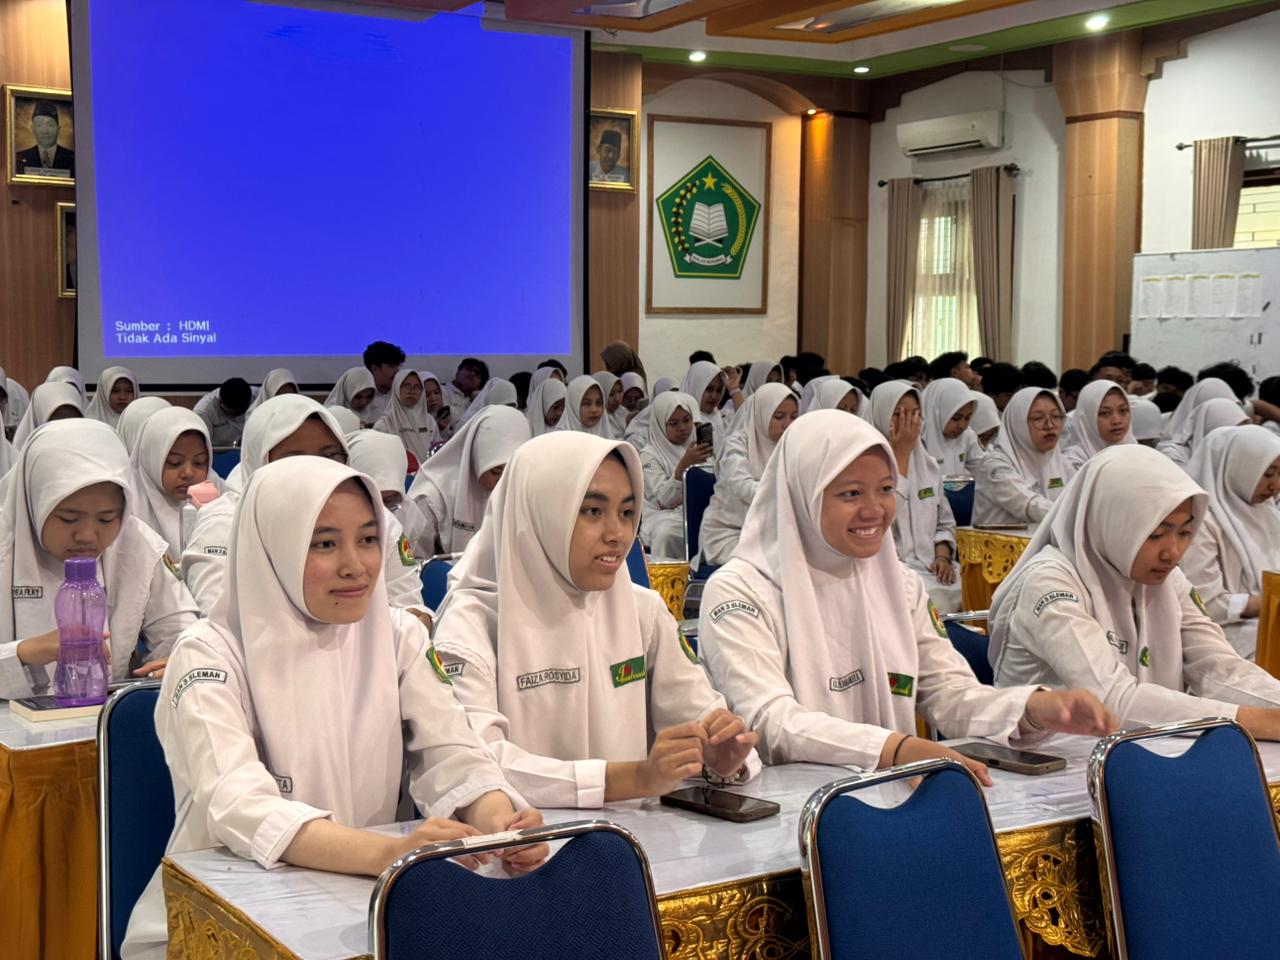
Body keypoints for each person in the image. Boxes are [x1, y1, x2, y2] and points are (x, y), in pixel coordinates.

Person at [120, 458, 546, 959]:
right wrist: (389, 852)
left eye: (368, 539)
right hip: (223, 919)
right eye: (324, 544)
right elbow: (239, 804)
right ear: (274, 546)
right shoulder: (209, 653)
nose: (355, 565)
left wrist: (499, 825)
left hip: (368, 901)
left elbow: (452, 752)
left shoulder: (397, 635)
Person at [697, 412, 1113, 780]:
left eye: (884, 489)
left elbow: (948, 693)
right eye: (851, 493)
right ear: (803, 495)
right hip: (792, 814)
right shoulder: (741, 591)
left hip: (896, 795)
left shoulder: (899, 583)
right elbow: (770, 720)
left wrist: (1030, 709)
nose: (874, 510)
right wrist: (894, 749)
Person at [431, 432, 758, 808]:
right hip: (525, 839)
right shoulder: (472, 625)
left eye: (626, 513)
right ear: (540, 513)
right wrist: (631, 779)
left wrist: (722, 757)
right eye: (592, 511)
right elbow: (474, 765)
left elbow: (703, 716)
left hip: (637, 836)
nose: (618, 534)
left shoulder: (642, 610)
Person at [988, 445, 1280, 735]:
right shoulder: (1048, 583)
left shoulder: (1168, 579)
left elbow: (1217, 667)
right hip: (1051, 753)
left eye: (1184, 533)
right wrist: (1258, 721)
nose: (1173, 552)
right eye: (1155, 534)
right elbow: (1109, 700)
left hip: (1143, 742)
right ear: (1109, 521)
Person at [0, 420, 199, 698]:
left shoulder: (136, 546)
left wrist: (179, 658)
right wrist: (21, 653)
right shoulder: (5, 547)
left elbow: (178, 627)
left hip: (101, 716)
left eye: (106, 519)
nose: (87, 536)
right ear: (33, 503)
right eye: (68, 518)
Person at [183, 395, 426, 615]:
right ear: (259, 462)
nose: (315, 468)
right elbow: (218, 617)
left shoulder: (374, 520)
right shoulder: (225, 524)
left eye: (328, 456)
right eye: (295, 459)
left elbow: (412, 610)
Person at [1181, 426, 1280, 658]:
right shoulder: (1199, 522)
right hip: (1227, 636)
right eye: (1268, 474)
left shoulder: (1266, 511)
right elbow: (1205, 604)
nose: (1275, 485)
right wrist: (1269, 603)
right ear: (1238, 469)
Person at [869, 381, 960, 612]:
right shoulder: (866, 464)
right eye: (899, 415)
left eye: (915, 414)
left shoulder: (927, 466)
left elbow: (944, 523)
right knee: (927, 599)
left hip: (930, 568)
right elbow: (881, 517)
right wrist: (901, 454)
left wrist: (942, 557)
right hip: (888, 570)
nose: (909, 423)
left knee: (974, 588)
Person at [407, 407, 530, 556]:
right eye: (496, 471)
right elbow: (407, 559)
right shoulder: (430, 497)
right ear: (477, 458)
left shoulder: (522, 488)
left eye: (513, 472)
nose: (504, 482)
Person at [698, 384, 796, 568]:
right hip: (729, 533)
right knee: (774, 565)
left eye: (793, 417)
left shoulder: (792, 446)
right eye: (779, 417)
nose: (787, 424)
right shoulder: (736, 444)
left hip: (772, 533)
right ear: (761, 414)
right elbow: (742, 487)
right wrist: (787, 493)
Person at [973, 387, 1072, 525]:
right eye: (1038, 418)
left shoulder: (1061, 462)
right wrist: (1075, 518)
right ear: (1018, 423)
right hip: (1001, 539)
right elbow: (1029, 506)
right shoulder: (995, 465)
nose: (1050, 425)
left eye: (1056, 417)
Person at [130, 408, 212, 558]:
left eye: (199, 462)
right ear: (151, 460)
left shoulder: (220, 500)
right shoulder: (129, 508)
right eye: (175, 463)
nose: (188, 473)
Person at [639, 391, 711, 559]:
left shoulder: (697, 447)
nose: (683, 428)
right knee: (665, 534)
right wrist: (683, 467)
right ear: (660, 425)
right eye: (673, 423)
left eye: (687, 420)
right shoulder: (649, 456)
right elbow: (665, 500)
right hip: (662, 518)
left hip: (697, 513)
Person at [346, 430, 434, 562]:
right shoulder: (332, 516)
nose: (383, 512)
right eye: (371, 500)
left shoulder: (409, 515)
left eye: (388, 501)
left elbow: (409, 562)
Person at [1061, 379, 1132, 470]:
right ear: (1087, 418)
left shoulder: (1138, 451)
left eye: (1123, 410)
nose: (1117, 421)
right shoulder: (1071, 462)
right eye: (1105, 413)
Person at [374, 370, 439, 465]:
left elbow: (438, 450)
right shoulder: (386, 422)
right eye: (407, 386)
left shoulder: (429, 421)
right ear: (397, 388)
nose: (412, 391)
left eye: (417, 387)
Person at [921, 377, 980, 474]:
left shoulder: (967, 435)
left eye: (967, 418)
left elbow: (981, 467)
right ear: (937, 413)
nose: (962, 426)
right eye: (956, 418)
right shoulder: (918, 440)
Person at [11, 381, 83, 448]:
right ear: (37, 419)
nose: (65, 429)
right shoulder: (18, 456)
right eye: (56, 423)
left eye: (73, 422)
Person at [16, 100, 73, 177]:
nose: (45, 131)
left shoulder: (72, 158)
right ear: (33, 129)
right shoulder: (19, 158)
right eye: (39, 125)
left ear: (58, 129)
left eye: (50, 125)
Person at [193, 378, 253, 447]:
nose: (236, 416)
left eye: (240, 413)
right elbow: (201, 446)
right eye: (232, 413)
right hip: (219, 451)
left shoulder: (256, 398)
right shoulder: (203, 413)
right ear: (220, 401)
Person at [361, 341, 405, 421]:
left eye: (398, 366)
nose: (397, 371)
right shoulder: (360, 398)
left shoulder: (403, 394)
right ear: (375, 369)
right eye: (392, 367)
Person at [442, 359, 489, 424]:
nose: (472, 374)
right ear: (457, 373)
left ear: (479, 385)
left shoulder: (478, 403)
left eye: (477, 374)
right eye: (469, 369)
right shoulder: (440, 391)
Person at [592, 371, 625, 438]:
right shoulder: (595, 419)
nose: (617, 399)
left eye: (620, 392)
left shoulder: (623, 412)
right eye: (611, 394)